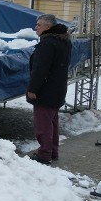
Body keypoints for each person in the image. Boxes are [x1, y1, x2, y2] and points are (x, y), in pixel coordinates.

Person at [26, 14, 72, 165]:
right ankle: (52, 151)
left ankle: (44, 154)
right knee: (52, 122)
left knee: (43, 124)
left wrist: (33, 89)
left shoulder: (47, 43)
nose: (36, 28)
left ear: (47, 26)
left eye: (39, 25)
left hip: (45, 90)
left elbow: (40, 68)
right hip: (57, 88)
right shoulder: (63, 41)